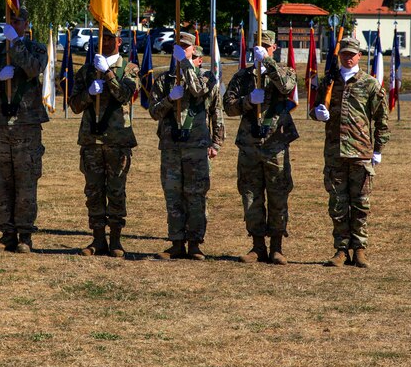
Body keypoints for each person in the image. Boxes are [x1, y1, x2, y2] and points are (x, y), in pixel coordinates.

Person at [312, 36, 390, 268]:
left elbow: (381, 120)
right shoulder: (329, 82)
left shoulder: (370, 84)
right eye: (344, 54)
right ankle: (341, 250)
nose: (348, 58)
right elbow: (316, 108)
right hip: (335, 153)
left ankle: (360, 250)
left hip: (360, 152)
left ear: (359, 56)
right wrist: (317, 113)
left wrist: (378, 149)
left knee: (360, 204)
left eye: (352, 54)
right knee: (337, 204)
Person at [0, 8, 49, 254]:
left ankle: (25, 236)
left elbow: (32, 69)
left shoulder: (36, 48)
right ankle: (6, 234)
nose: (13, 23)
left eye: (17, 21)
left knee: (26, 182)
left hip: (26, 126)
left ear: (26, 24)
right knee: (1, 181)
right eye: (10, 20)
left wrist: (15, 43)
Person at [222, 30, 299, 264]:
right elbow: (229, 107)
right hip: (249, 145)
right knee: (250, 196)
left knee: (278, 195)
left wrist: (266, 62)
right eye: (259, 47)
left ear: (274, 48)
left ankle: (277, 246)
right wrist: (247, 102)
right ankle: (257, 246)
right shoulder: (243, 77)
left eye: (267, 47)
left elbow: (286, 87)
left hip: (275, 145)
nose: (262, 50)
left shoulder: (285, 71)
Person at [148, 32, 224, 260]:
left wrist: (216, 143)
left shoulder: (207, 76)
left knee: (196, 195)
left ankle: (195, 243)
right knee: (173, 195)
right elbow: (154, 112)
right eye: (178, 47)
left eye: (186, 47)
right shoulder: (163, 80)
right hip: (171, 146)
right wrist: (170, 99)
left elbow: (203, 95)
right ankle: (176, 242)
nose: (182, 49)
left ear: (194, 49)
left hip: (196, 145)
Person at [68, 29, 139, 258]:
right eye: (102, 38)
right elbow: (75, 106)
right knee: (94, 191)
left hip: (117, 141)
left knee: (117, 191)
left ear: (119, 41)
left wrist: (107, 73)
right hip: (92, 141)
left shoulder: (130, 68)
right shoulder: (87, 71)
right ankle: (98, 239)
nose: (105, 42)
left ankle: (116, 240)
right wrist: (89, 93)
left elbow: (124, 95)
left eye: (109, 38)